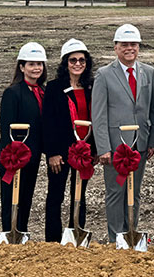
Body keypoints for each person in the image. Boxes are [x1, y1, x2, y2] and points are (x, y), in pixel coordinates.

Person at [92, 24, 154, 242]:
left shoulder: (148, 72)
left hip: (139, 144)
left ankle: (131, 231)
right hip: (115, 147)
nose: (129, 48)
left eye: (133, 45)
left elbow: (153, 109)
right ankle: (116, 238)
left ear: (138, 47)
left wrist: (152, 139)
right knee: (116, 192)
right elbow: (99, 115)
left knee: (135, 191)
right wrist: (103, 147)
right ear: (116, 47)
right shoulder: (104, 75)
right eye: (124, 45)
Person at [42, 39, 97, 242]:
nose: (78, 64)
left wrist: (96, 149)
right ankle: (53, 240)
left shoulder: (91, 87)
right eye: (73, 60)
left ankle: (76, 233)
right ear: (65, 63)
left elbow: (96, 118)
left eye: (82, 60)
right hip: (61, 152)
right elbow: (48, 122)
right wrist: (52, 153)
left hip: (84, 151)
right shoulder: (54, 88)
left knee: (79, 194)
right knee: (56, 195)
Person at [0, 42, 46, 234]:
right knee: (11, 200)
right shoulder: (13, 93)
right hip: (12, 158)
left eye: (39, 64)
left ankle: (22, 233)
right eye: (31, 64)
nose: (36, 68)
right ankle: (10, 236)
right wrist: (13, 157)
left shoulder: (41, 92)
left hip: (32, 157)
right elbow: (6, 127)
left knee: (25, 199)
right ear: (21, 67)